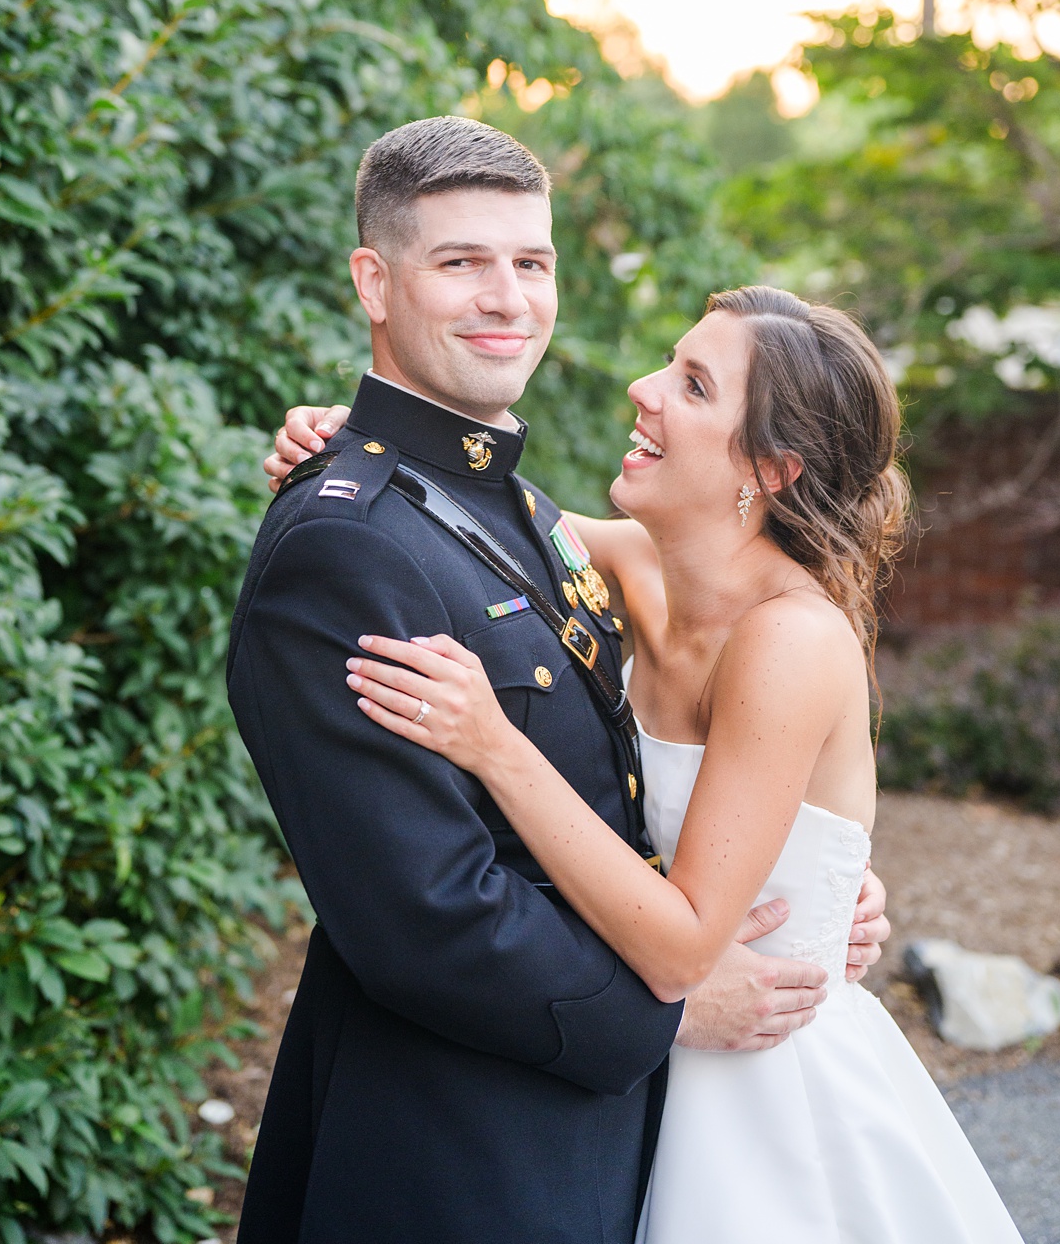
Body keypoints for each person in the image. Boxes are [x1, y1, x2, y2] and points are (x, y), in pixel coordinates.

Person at [228, 118, 888, 1244]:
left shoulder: (530, 517)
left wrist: (823, 903)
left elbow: (657, 807)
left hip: (665, 1117)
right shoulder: (358, 545)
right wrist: (668, 1006)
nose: (507, 297)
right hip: (459, 1154)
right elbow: (430, 915)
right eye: (460, 263)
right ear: (374, 283)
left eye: (529, 263)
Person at [329, 286, 1024, 1243]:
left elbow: (688, 943)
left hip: (768, 1088)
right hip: (647, 1065)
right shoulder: (631, 569)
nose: (643, 388)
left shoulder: (790, 640)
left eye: (693, 386)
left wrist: (495, 745)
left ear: (770, 470)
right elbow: (458, 521)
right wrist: (349, 437)